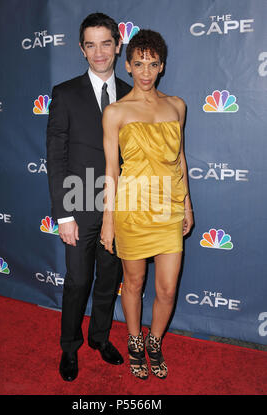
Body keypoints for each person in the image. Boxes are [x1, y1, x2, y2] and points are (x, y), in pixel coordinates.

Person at [101, 29, 194, 380]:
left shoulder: (177, 106)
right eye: (138, 63)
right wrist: (109, 221)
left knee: (167, 287)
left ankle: (154, 341)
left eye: (152, 64)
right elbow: (111, 170)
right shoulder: (115, 112)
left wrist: (186, 204)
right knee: (135, 282)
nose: (145, 71)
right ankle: (134, 340)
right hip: (132, 209)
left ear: (162, 66)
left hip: (168, 207)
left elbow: (180, 158)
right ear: (127, 65)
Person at [46, 13, 131, 382]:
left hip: (120, 209)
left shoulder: (131, 95)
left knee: (109, 279)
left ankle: (99, 337)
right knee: (78, 281)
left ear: (117, 45)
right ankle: (69, 346)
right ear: (82, 49)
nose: (99, 52)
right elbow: (56, 159)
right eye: (91, 44)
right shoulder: (65, 93)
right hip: (79, 208)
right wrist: (64, 215)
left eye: (106, 43)